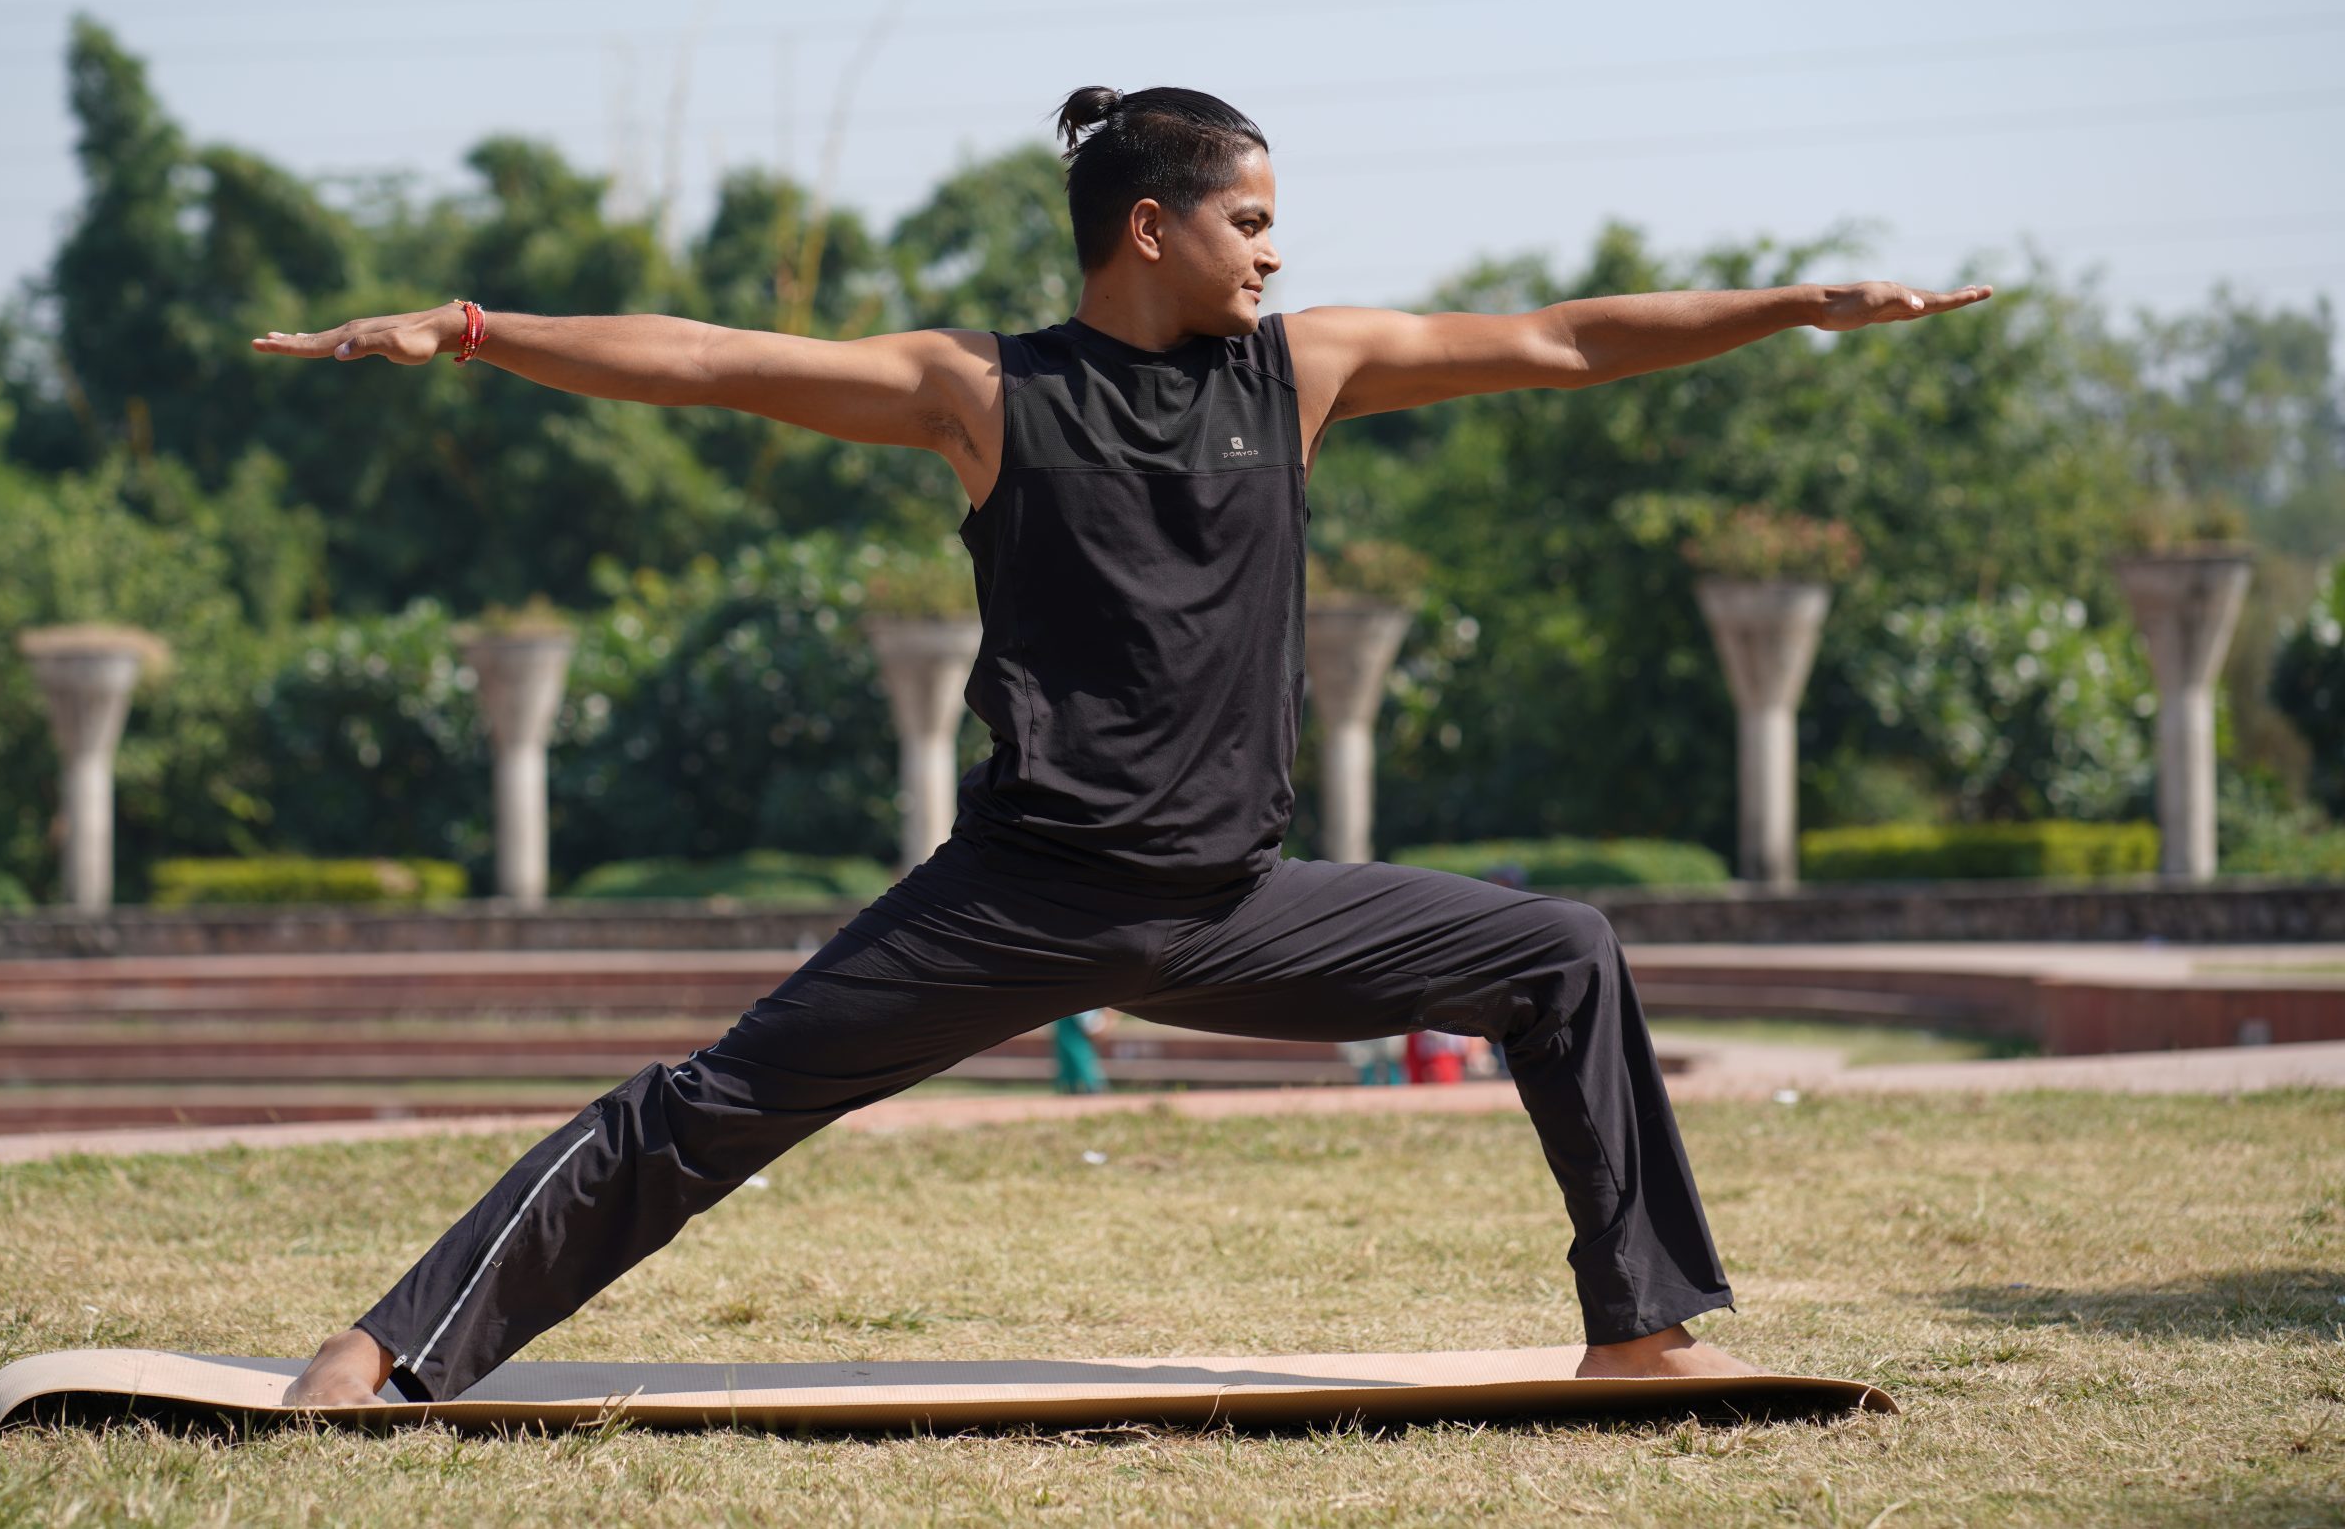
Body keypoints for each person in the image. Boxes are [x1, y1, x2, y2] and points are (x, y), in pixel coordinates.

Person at [253, 85, 1990, 1407]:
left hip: (1234, 903)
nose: (1275, 251)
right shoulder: (983, 393)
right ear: (1150, 227)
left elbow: (1560, 341)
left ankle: (1642, 1337)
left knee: (1562, 955)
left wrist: (1789, 304)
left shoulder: (1304, 376)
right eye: (1248, 220)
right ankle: (391, 1353)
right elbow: (710, 360)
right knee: (705, 1111)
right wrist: (474, 331)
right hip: (1019, 896)